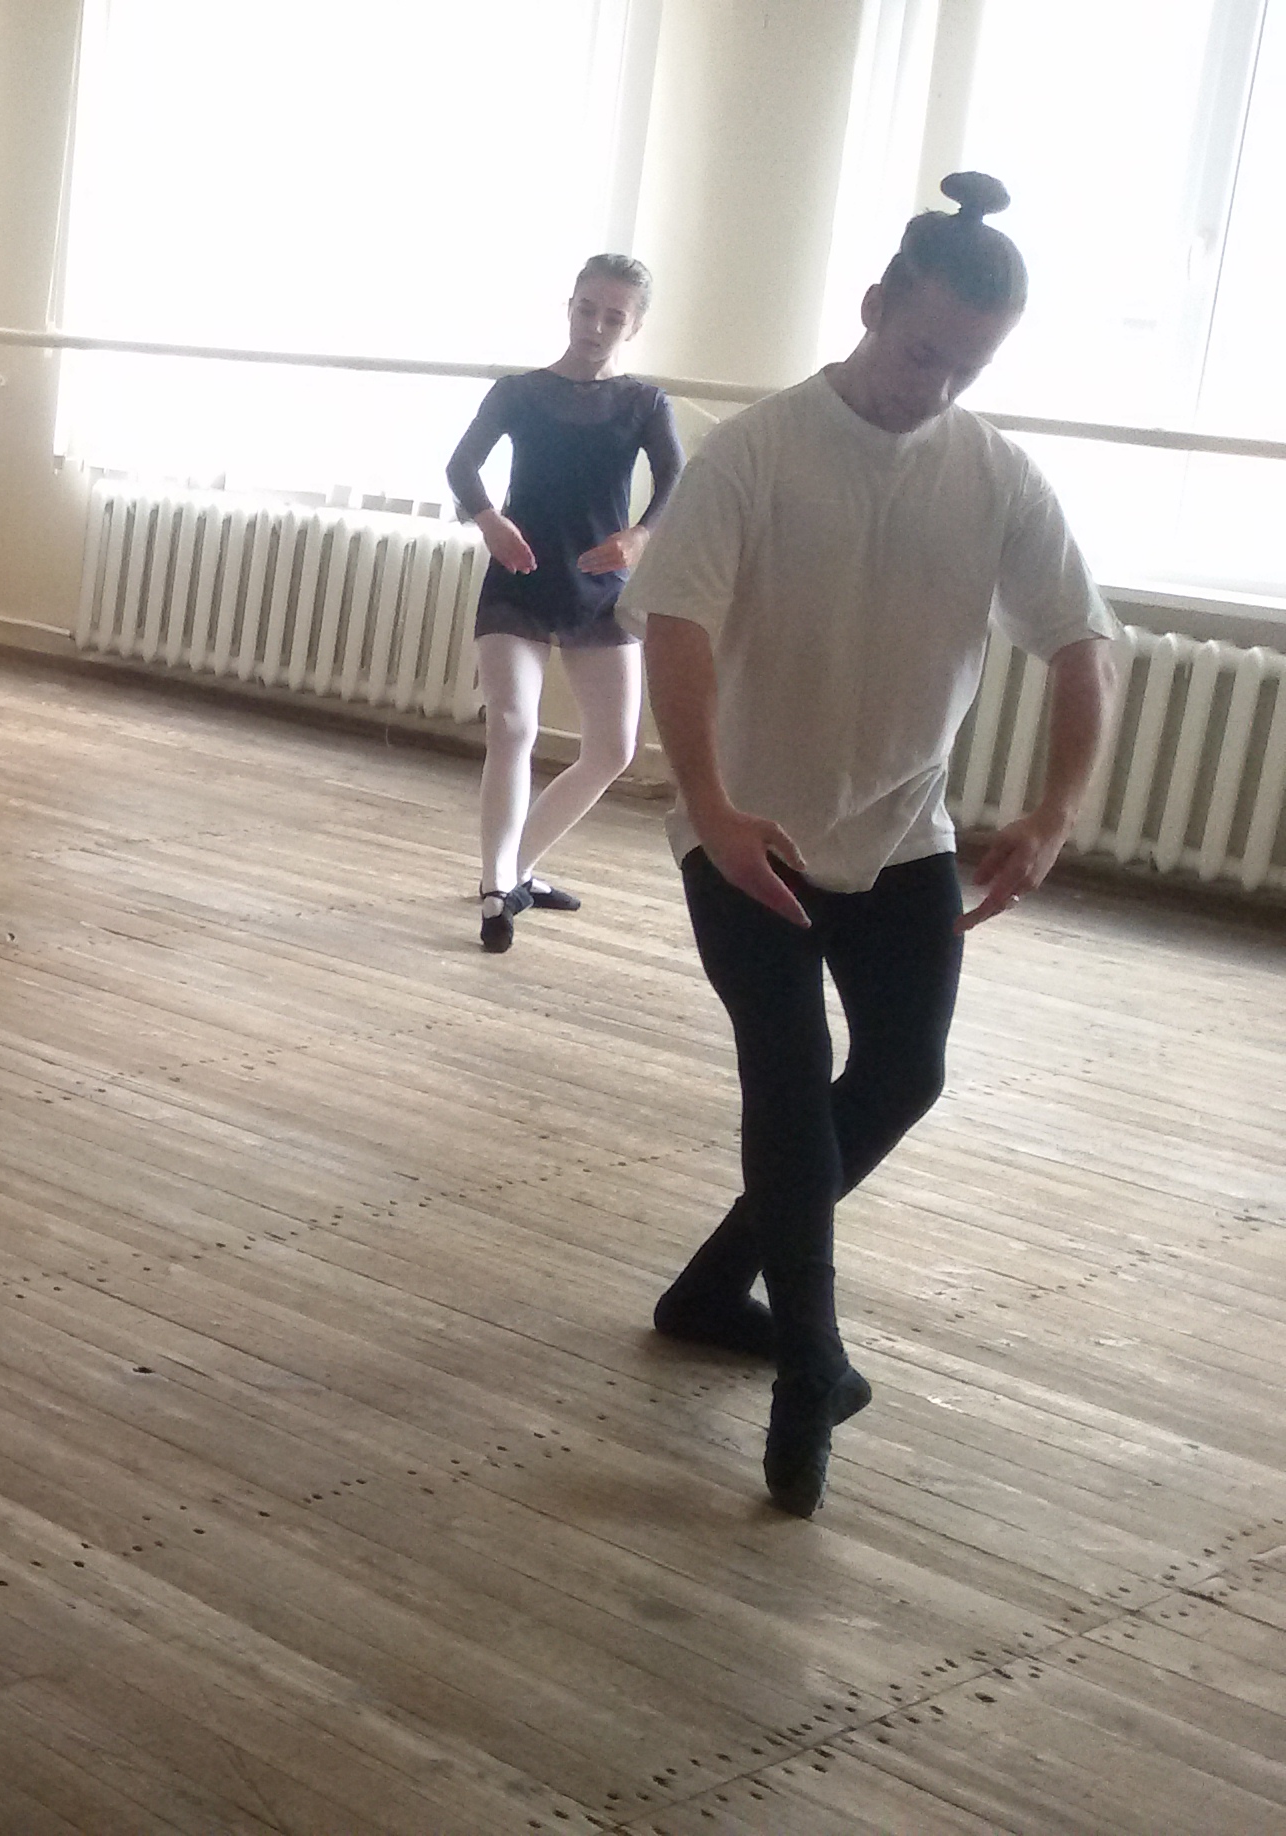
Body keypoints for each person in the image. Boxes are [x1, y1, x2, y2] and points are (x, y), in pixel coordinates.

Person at [625, 173, 1118, 1519]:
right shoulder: (756, 452)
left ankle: (714, 1289)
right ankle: (811, 1364)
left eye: (966, 368)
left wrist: (1055, 811)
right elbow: (677, 626)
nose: (934, 386)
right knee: (788, 1079)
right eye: (920, 353)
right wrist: (712, 805)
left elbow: (1082, 645)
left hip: (904, 834)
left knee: (903, 1073)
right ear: (872, 308)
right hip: (747, 835)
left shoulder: (995, 474)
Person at [443, 254, 682, 952]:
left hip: (598, 586)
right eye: (586, 309)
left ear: (633, 326)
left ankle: (518, 868)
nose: (596, 325)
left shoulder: (644, 403)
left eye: (613, 316)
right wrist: (488, 519)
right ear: (569, 307)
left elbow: (676, 477)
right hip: (518, 578)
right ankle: (497, 889)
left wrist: (639, 536)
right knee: (512, 726)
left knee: (613, 748)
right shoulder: (519, 392)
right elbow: (462, 465)